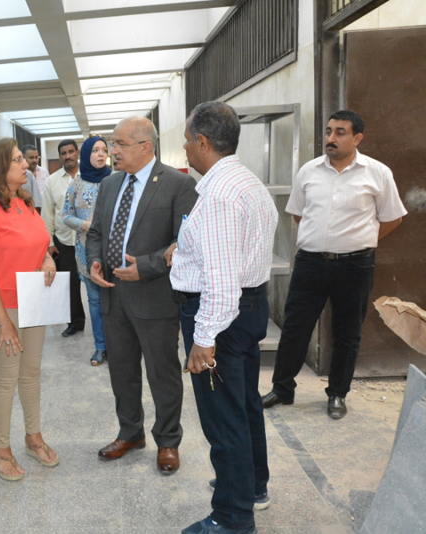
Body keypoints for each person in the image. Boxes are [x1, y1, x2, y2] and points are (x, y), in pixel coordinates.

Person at [169, 101, 278, 534]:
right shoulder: (245, 181)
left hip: (221, 318)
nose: (184, 148)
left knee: (223, 419)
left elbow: (220, 280)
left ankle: (232, 518)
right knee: (245, 404)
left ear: (202, 141)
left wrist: (204, 338)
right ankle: (251, 486)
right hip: (249, 308)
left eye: (186, 140)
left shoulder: (217, 196)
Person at [261, 109, 407, 419]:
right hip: (311, 264)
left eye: (340, 132)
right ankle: (282, 389)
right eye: (329, 131)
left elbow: (393, 218)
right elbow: (299, 214)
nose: (331, 138)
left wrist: (362, 240)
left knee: (347, 332)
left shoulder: (378, 173)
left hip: (355, 267)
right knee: (295, 328)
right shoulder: (309, 171)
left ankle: (338, 394)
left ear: (357, 138)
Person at [86, 117, 197, 473]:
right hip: (112, 294)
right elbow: (96, 233)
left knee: (162, 373)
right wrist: (94, 262)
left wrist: (146, 267)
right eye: (113, 143)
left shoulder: (179, 184)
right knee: (122, 372)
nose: (113, 151)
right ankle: (130, 433)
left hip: (155, 295)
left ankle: (168, 440)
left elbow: (185, 242)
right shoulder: (109, 184)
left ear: (146, 147)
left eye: (120, 144)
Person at [0, 137, 60, 482]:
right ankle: (0, 450)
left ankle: (33, 437)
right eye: (18, 160)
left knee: (31, 372)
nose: (26, 164)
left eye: (24, 158)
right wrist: (3, 321)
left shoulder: (24, 201)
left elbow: (39, 244)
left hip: (33, 298)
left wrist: (47, 258)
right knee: (7, 378)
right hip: (1, 304)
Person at [62, 136, 111, 366]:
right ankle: (100, 346)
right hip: (85, 250)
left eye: (104, 150)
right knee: (94, 299)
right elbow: (65, 215)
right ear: (86, 155)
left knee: (116, 300)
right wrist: (85, 225)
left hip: (113, 249)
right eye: (95, 150)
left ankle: (117, 345)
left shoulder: (116, 179)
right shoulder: (77, 185)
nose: (101, 154)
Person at [43, 139, 86, 337]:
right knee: (69, 285)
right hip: (65, 242)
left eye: (70, 152)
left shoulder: (90, 176)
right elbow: (48, 215)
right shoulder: (52, 181)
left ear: (77, 153)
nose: (67, 156)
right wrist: (50, 243)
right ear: (59, 156)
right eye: (63, 153)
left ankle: (105, 323)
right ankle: (75, 322)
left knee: (96, 283)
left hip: (89, 240)